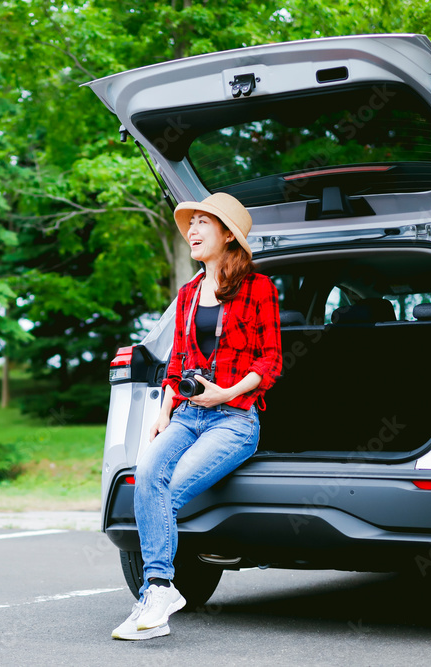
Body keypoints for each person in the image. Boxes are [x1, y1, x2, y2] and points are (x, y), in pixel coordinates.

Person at [111, 192, 282, 640]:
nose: (192, 230)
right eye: (191, 223)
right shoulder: (187, 294)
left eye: (203, 222)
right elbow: (177, 360)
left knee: (162, 492)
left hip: (234, 419)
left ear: (228, 235)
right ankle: (160, 591)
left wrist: (226, 391)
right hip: (186, 415)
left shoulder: (258, 288)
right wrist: (165, 410)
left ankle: (156, 592)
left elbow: (271, 362)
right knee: (146, 472)